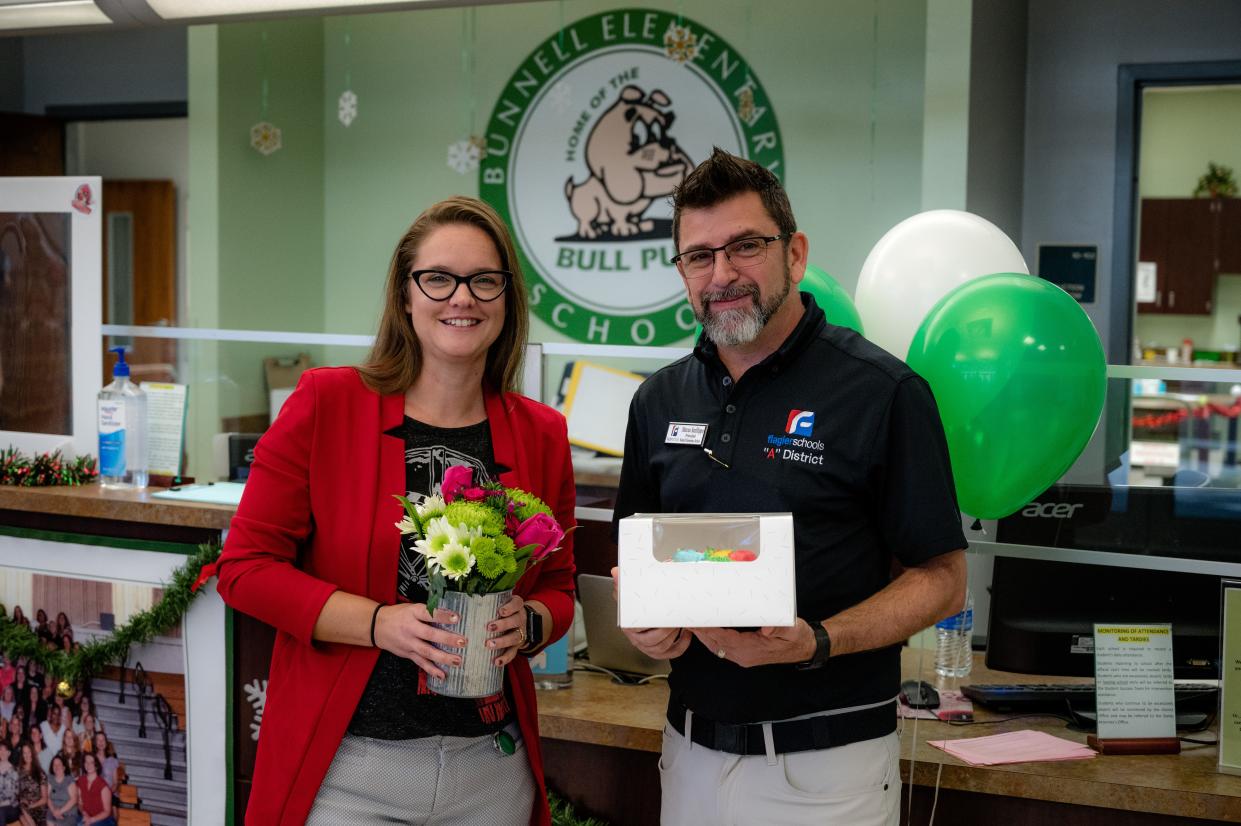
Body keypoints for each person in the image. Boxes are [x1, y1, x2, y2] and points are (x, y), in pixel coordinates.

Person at [613, 149, 967, 826]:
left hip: (826, 769)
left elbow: (943, 579)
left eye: (744, 246)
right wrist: (644, 625)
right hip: (687, 755)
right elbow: (635, 558)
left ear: (794, 253)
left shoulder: (881, 393)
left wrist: (818, 640)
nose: (722, 274)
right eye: (698, 256)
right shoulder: (658, 400)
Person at [215, 196, 577, 826]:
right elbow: (244, 569)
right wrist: (381, 623)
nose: (461, 297)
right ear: (405, 295)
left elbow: (559, 584)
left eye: (483, 280)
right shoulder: (328, 404)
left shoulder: (541, 432)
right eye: (437, 278)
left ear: (506, 298)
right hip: (350, 773)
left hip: (491, 772)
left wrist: (534, 622)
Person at [74, 753, 111, 826]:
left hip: (102, 819)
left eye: (91, 762)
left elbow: (107, 811)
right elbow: (80, 803)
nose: (88, 765)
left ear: (96, 765)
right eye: (86, 762)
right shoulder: (80, 781)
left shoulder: (103, 786)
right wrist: (84, 814)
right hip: (86, 816)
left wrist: (91, 820)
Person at [16, 742, 47, 826]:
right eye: (24, 753)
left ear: (32, 753)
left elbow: (44, 799)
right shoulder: (18, 771)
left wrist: (32, 805)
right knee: (22, 814)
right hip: (24, 807)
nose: (27, 755)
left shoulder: (40, 773)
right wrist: (21, 800)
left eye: (29, 752)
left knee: (24, 817)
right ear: (22, 755)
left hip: (39, 807)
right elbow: (16, 792)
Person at [44, 756, 76, 826]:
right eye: (54, 765)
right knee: (50, 823)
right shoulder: (50, 778)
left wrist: (60, 811)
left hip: (68, 811)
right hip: (53, 810)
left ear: (64, 767)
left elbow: (74, 800)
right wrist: (54, 811)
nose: (56, 766)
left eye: (59, 764)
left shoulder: (69, 779)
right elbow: (48, 798)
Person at [0, 743, 19, 826]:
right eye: (0, 750)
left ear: (9, 753)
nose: (2, 752)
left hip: (11, 807)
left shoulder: (14, 771)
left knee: (0, 812)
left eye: (5, 750)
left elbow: (14, 794)